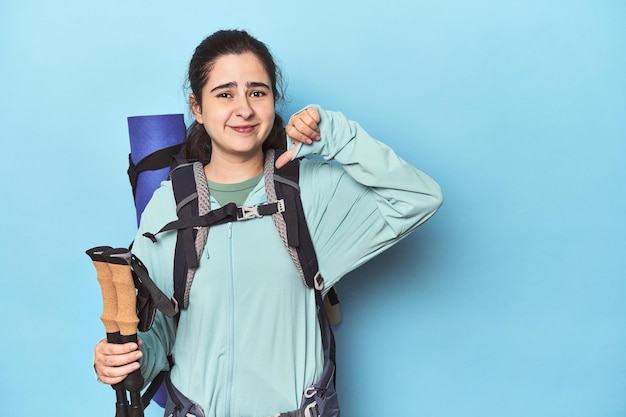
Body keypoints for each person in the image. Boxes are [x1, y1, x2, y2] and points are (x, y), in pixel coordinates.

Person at [93, 29, 443, 417]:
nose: (243, 109)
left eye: (257, 92)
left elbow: (418, 198)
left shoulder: (310, 192)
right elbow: (158, 333)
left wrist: (337, 136)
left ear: (273, 101)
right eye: (224, 94)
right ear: (197, 107)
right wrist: (126, 358)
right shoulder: (170, 202)